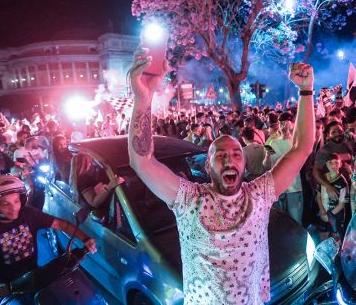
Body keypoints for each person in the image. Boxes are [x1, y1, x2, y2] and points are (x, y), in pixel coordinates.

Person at [127, 48, 315, 304]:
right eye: (220, 155)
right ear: (207, 167)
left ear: (244, 162)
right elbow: (142, 161)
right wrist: (143, 98)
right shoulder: (189, 201)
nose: (230, 159)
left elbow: (301, 148)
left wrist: (306, 92)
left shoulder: (259, 195)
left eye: (236, 154)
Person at [0, 175, 97, 305]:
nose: (14, 207)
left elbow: (62, 225)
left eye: (16, 201)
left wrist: (85, 238)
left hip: (34, 278)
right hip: (5, 289)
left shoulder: (28, 214)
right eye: (5, 204)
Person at [317, 153, 348, 239]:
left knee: (335, 239)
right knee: (323, 236)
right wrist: (322, 209)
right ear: (326, 164)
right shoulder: (323, 178)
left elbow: (342, 204)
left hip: (336, 216)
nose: (333, 165)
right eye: (330, 162)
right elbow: (318, 196)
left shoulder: (343, 182)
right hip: (323, 214)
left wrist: (329, 215)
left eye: (336, 163)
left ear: (340, 164)